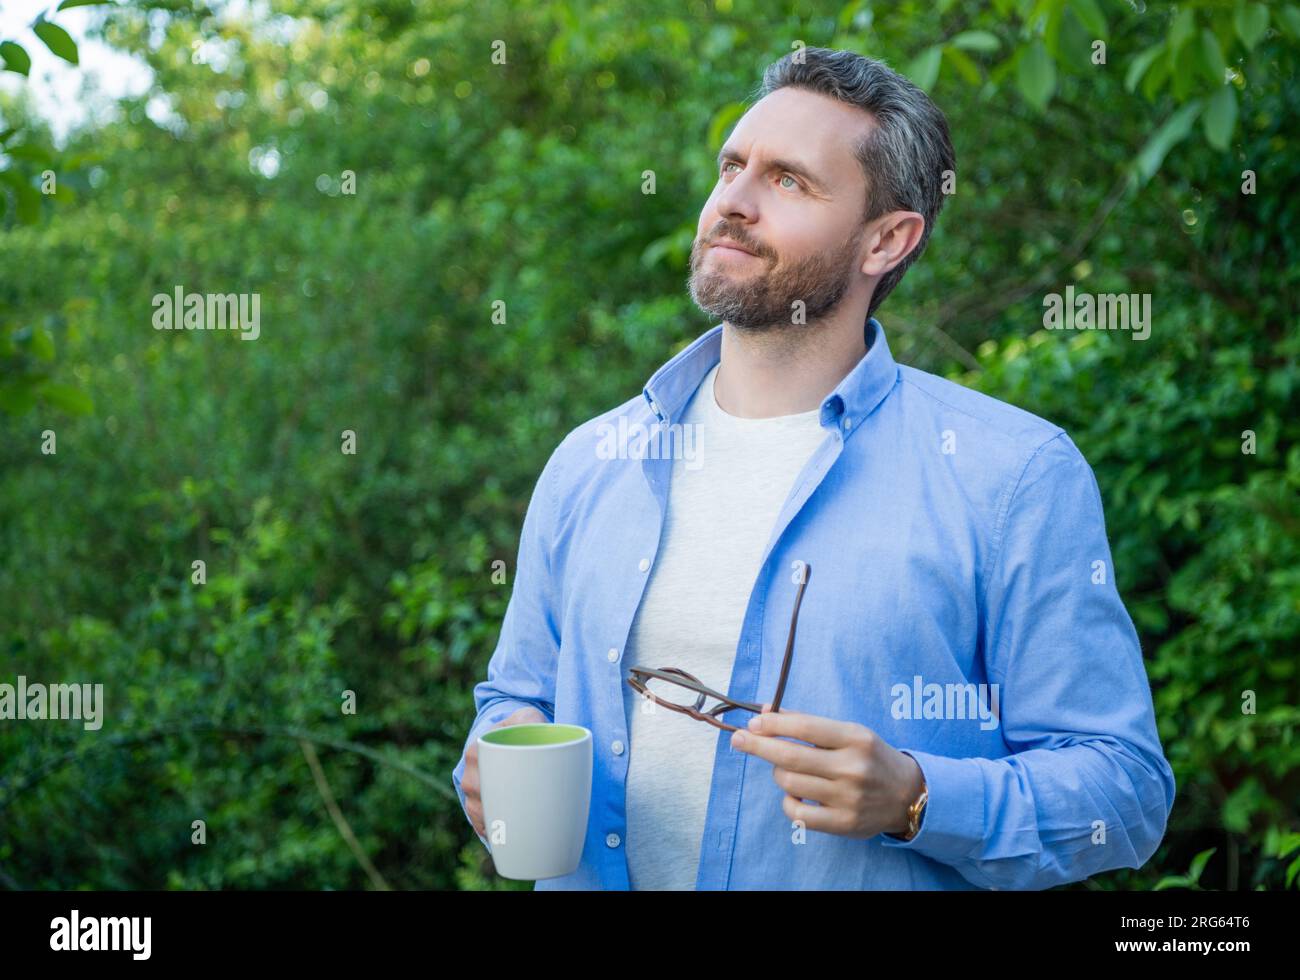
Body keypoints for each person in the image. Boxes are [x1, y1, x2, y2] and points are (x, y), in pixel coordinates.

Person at [452, 46, 1175, 890]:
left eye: (789, 181)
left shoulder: (1012, 477)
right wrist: (490, 758)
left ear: (888, 239)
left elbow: (1123, 790)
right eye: (732, 167)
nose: (734, 203)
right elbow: (517, 698)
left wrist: (919, 797)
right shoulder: (592, 461)